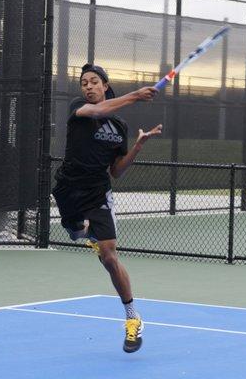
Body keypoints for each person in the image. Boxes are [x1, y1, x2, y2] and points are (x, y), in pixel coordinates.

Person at [52, 63, 161, 353]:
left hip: (98, 192)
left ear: (105, 86)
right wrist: (136, 95)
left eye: (93, 82)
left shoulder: (119, 127)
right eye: (84, 83)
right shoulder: (80, 108)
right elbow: (99, 111)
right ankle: (84, 231)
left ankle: (132, 318)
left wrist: (137, 146)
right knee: (76, 232)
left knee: (110, 255)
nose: (87, 87)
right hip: (68, 191)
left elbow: (117, 171)